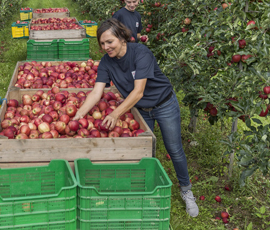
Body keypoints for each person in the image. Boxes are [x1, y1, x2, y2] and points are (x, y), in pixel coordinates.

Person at [73, 18, 199, 217]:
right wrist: (78, 115)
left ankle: (186, 190)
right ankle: (147, 191)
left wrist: (115, 113)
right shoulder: (106, 62)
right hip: (140, 109)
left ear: (122, 38)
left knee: (174, 149)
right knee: (143, 152)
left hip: (163, 103)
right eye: (102, 43)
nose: (106, 47)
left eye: (110, 42)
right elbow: (96, 93)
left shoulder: (141, 53)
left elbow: (138, 91)